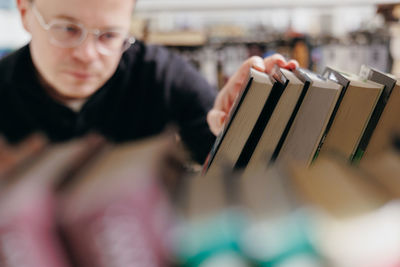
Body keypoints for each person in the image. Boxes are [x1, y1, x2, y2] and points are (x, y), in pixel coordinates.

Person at [0, 0, 297, 163]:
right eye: (66, 29)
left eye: (109, 36)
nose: (88, 55)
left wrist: (239, 126)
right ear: (25, 13)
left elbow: (227, 162)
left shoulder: (161, 75)